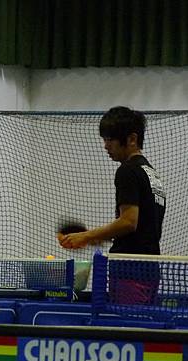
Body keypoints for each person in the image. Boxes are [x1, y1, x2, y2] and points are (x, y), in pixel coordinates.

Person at [58, 106, 166, 304]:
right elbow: (143, 230)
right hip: (150, 268)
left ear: (131, 139)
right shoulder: (151, 174)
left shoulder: (127, 171)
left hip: (129, 271)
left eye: (110, 140)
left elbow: (128, 222)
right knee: (141, 321)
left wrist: (86, 235)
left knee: (126, 322)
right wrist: (100, 237)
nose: (106, 146)